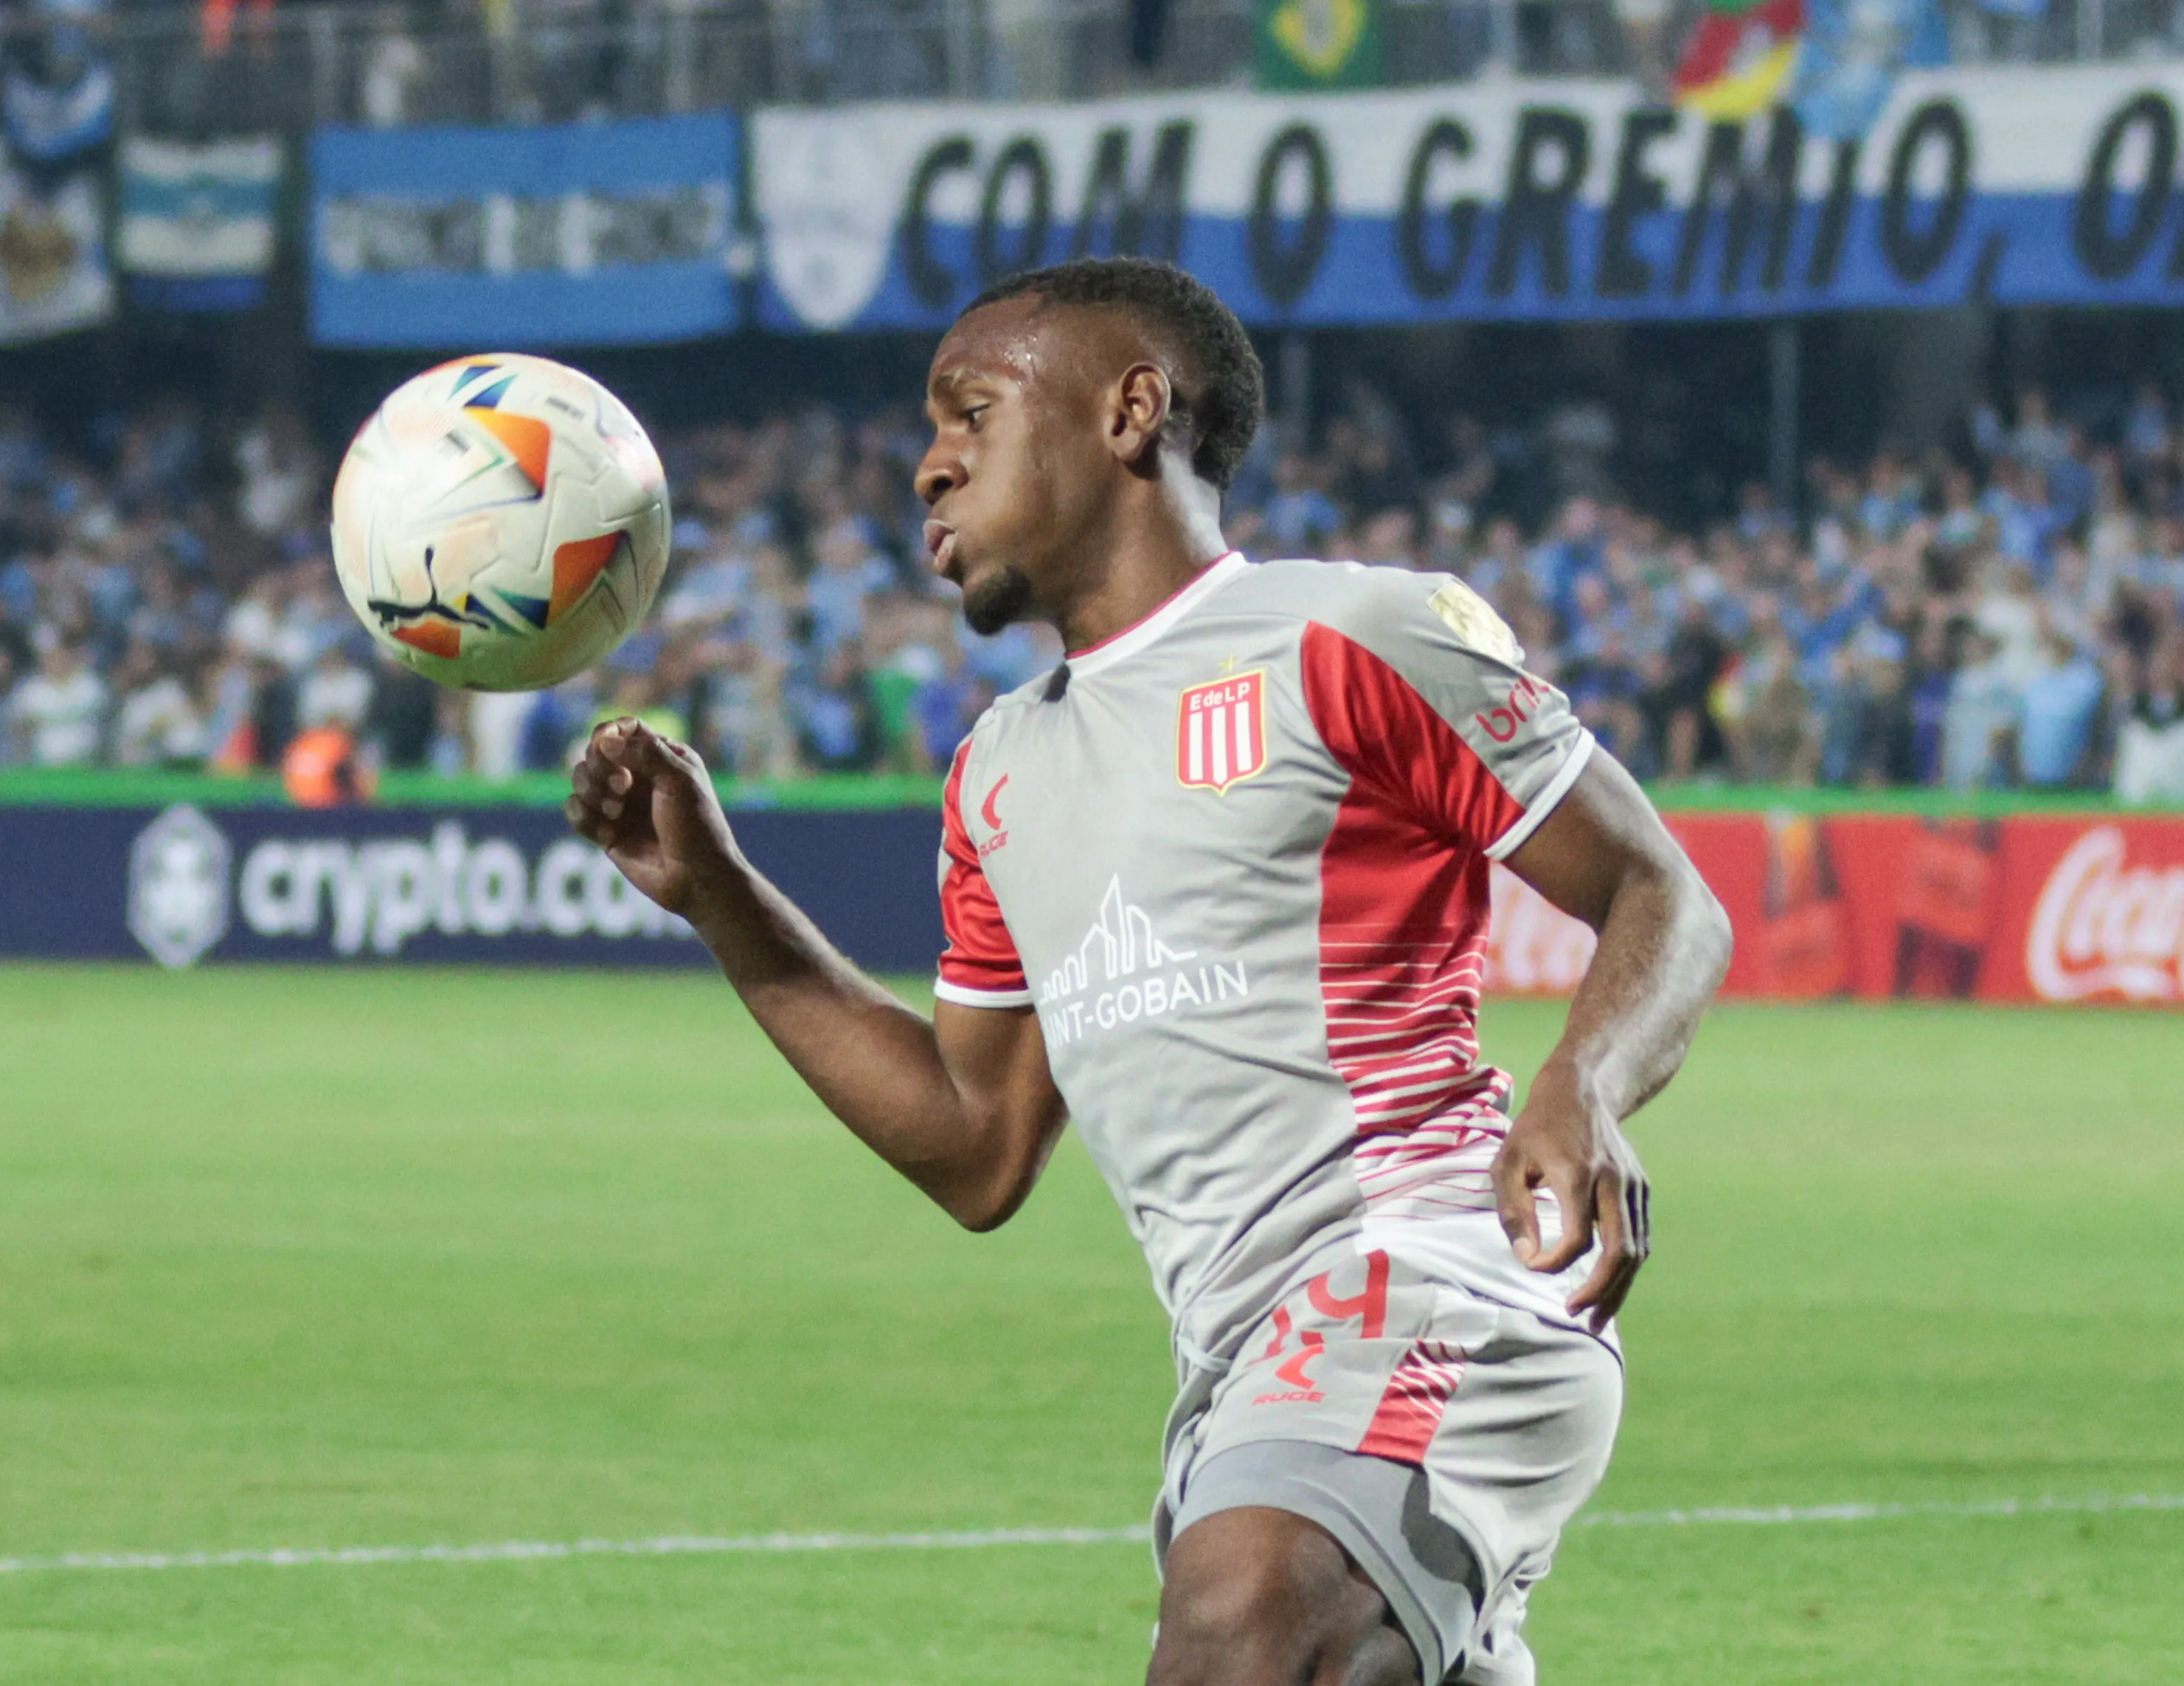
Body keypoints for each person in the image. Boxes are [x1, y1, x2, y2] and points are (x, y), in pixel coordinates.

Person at [568, 258, 1732, 1686]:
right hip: (1241, 1361)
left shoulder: (1347, 635)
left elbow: (1659, 889)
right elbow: (974, 1146)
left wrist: (1583, 1083)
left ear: (1132, 412)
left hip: (1424, 1268)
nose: (928, 469)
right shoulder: (999, 770)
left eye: (971, 415)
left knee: (1244, 1617)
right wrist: (722, 899)